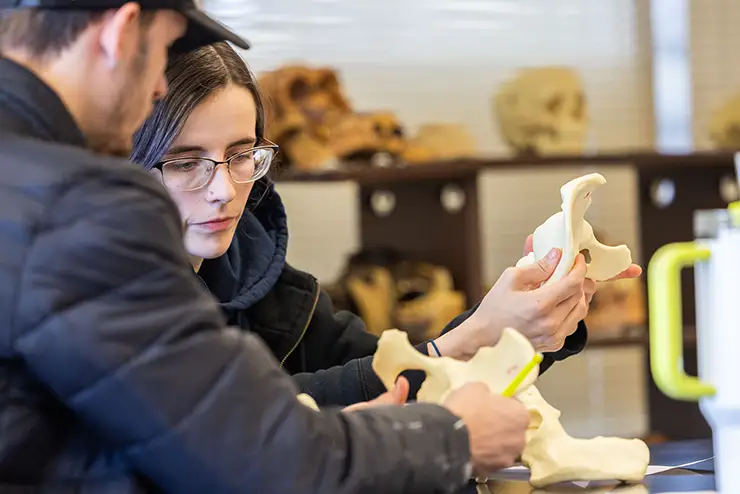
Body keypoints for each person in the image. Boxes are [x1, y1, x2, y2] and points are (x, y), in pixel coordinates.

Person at [0, 2, 532, 493]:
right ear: (120, 32)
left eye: (242, 155)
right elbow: (243, 450)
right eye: (161, 52)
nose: (159, 85)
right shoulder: (72, 203)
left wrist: (316, 433)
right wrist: (450, 439)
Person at [131, 42, 642, 407]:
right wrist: (478, 333)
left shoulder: (266, 289)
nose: (223, 188)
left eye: (242, 155)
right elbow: (245, 420)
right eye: (184, 162)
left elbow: (396, 372)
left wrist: (527, 321)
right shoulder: (102, 310)